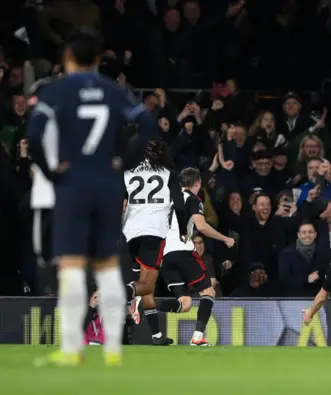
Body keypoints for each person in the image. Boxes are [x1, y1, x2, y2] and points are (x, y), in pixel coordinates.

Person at [28, 27, 156, 367]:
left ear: (68, 59)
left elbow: (35, 135)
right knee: (107, 264)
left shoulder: (57, 92)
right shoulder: (112, 91)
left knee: (70, 265)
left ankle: (73, 348)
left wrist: (52, 170)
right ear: (98, 61)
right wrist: (124, 162)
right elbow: (146, 123)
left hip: (73, 184)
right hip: (107, 184)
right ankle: (113, 347)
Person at [156, 168, 235, 346]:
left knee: (185, 304)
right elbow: (202, 226)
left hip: (164, 256)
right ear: (198, 183)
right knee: (209, 291)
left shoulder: (166, 200)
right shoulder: (192, 199)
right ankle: (198, 337)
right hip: (183, 251)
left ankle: (149, 307)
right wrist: (225, 239)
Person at [121, 140, 187, 346]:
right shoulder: (169, 174)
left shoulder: (127, 173)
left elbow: (120, 203)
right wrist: (184, 229)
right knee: (147, 284)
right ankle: (117, 293)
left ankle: (156, 335)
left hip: (129, 234)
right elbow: (180, 205)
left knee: (144, 285)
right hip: (153, 232)